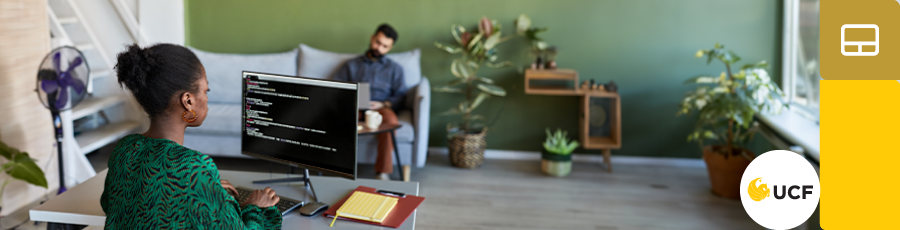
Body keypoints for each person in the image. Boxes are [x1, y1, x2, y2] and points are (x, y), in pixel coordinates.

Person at [100, 43, 282, 229]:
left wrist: (209, 192)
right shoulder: (195, 169)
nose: (207, 98)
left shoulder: (124, 148)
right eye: (205, 91)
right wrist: (254, 208)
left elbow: (110, 205)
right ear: (188, 101)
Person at [334, 23, 408, 180]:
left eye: (385, 46)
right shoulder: (351, 65)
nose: (379, 48)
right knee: (339, 117)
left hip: (380, 108)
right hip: (355, 106)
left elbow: (401, 96)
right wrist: (350, 100)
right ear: (372, 38)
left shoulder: (395, 69)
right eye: (377, 42)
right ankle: (338, 167)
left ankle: (382, 172)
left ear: (390, 48)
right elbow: (335, 87)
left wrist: (384, 104)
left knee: (390, 120)